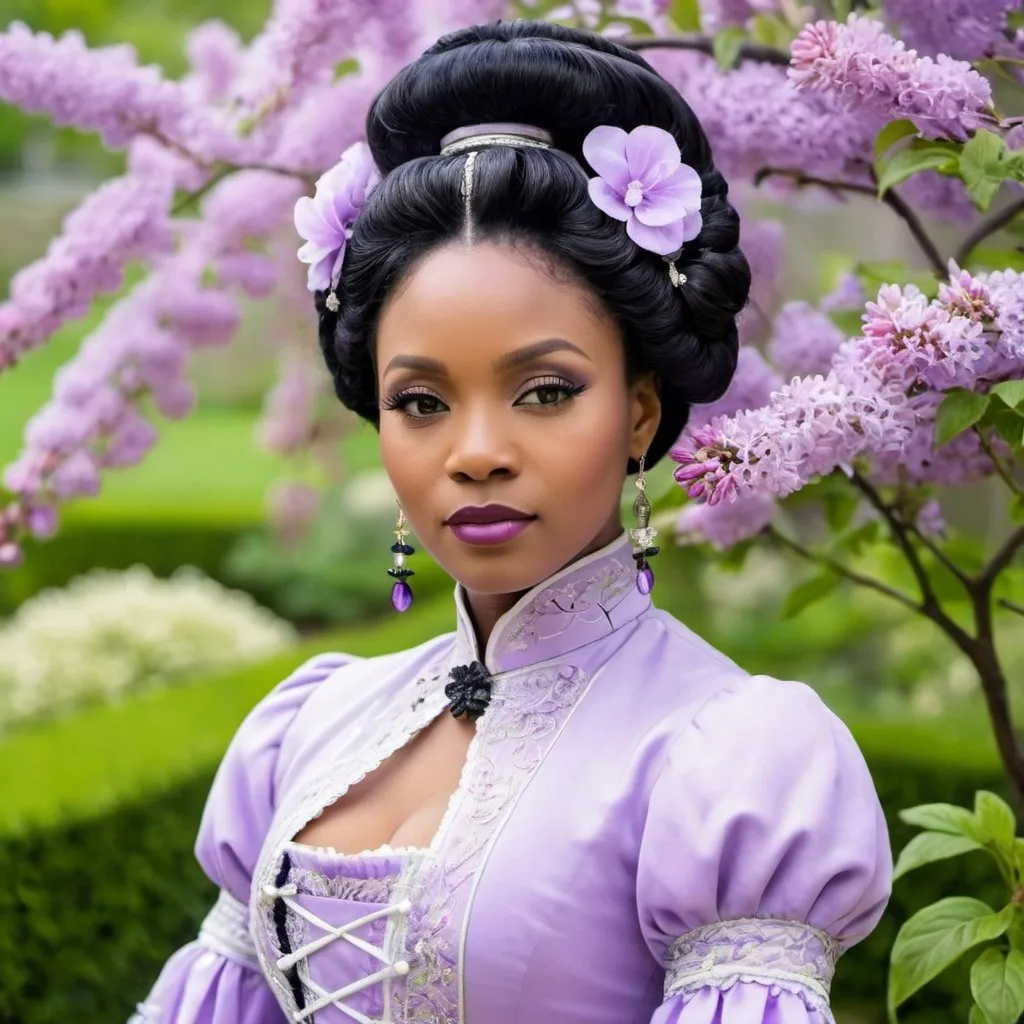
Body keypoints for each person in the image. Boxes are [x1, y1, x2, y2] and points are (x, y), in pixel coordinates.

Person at [133, 19, 892, 1024]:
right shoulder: (308, 728)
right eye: (421, 401)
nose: (475, 449)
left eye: (542, 390)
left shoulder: (725, 760)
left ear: (639, 408)